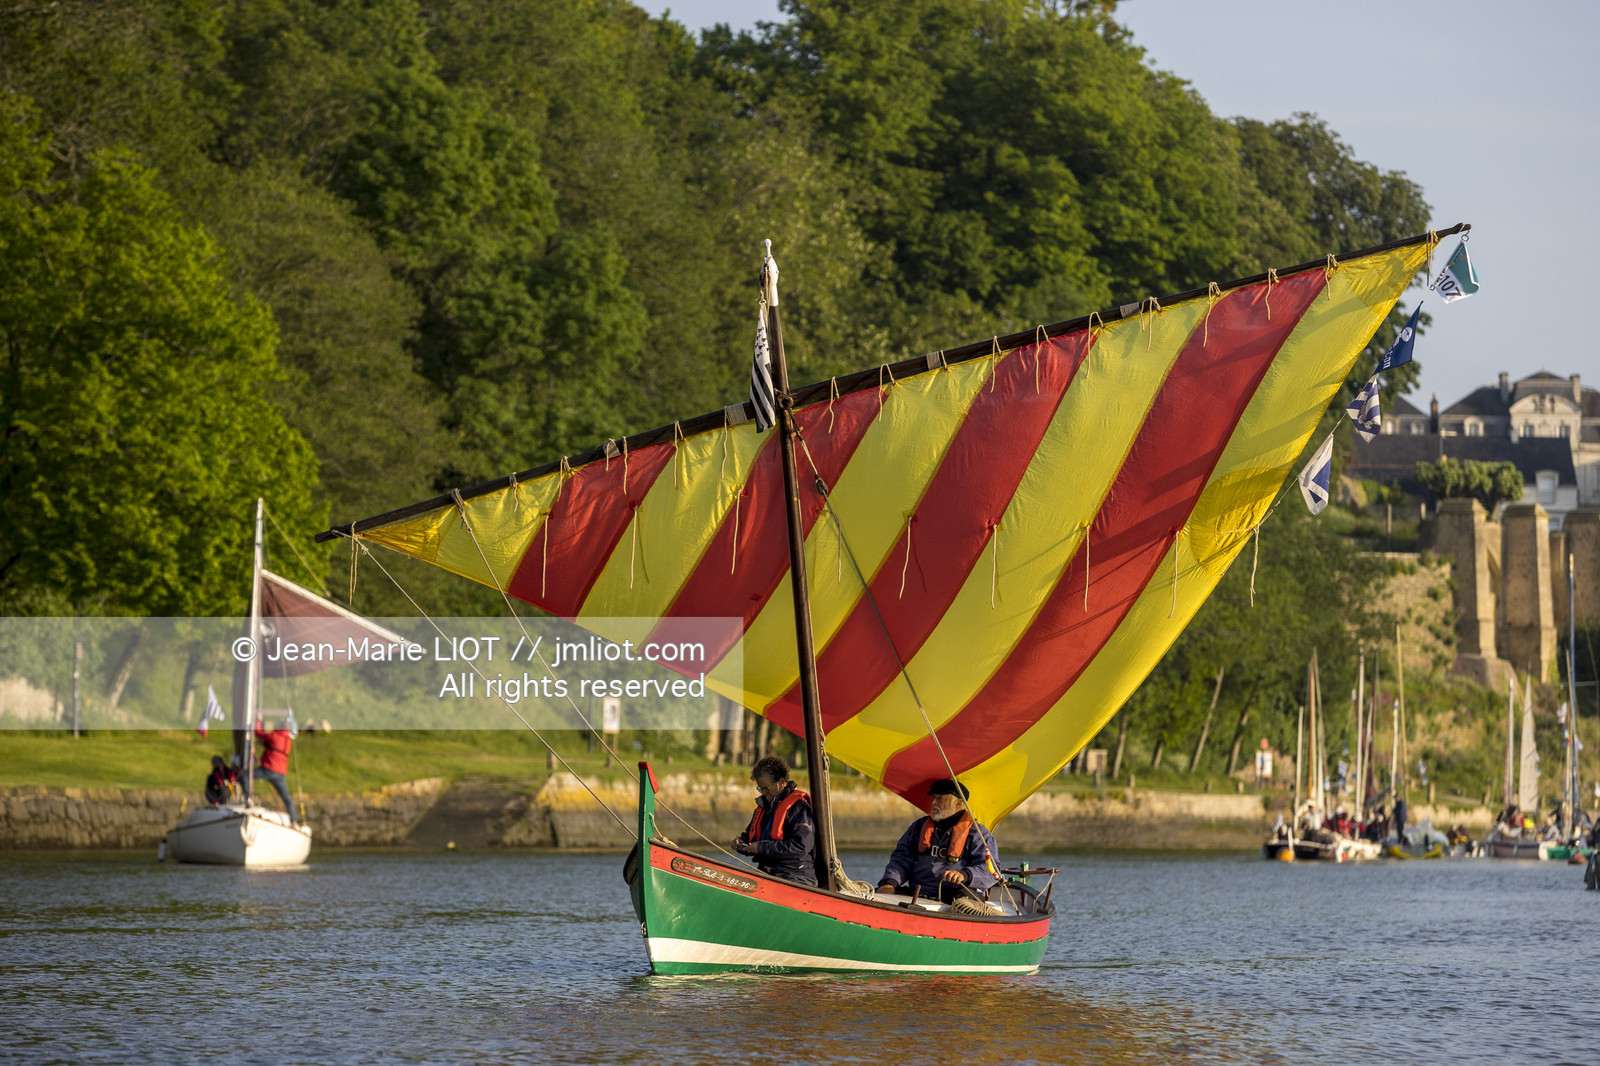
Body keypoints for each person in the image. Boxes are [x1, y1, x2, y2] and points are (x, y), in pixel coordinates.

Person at [877, 779, 999, 904]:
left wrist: (965, 875)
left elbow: (992, 871)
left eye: (941, 798)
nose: (934, 803)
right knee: (875, 894)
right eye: (934, 798)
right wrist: (889, 883)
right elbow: (901, 859)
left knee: (964, 903)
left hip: (956, 900)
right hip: (917, 895)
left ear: (958, 803)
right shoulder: (918, 827)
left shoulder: (979, 834)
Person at [732, 755, 816, 886]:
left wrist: (761, 848)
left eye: (767, 788)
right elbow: (751, 838)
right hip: (767, 874)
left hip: (796, 876)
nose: (763, 793)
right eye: (760, 788)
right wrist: (741, 843)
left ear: (781, 783)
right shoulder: (763, 807)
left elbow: (801, 846)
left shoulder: (799, 807)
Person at [253, 720, 299, 824]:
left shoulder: (275, 735)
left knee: (245, 775)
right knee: (286, 798)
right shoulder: (288, 741)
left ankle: (247, 800)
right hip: (281, 773)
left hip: (269, 769)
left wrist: (258, 721)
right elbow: (274, 747)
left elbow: (259, 733)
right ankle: (294, 821)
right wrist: (265, 744)